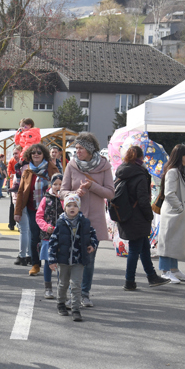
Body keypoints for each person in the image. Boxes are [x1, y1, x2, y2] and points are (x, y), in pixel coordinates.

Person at [60, 132, 113, 308]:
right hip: (73, 221)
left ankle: (84, 293)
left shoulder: (104, 166)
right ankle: (71, 294)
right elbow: (62, 191)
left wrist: (92, 186)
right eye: (76, 148)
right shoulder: (72, 165)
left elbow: (110, 193)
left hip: (95, 221)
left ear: (90, 149)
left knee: (89, 259)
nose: (77, 152)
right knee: (71, 258)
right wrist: (74, 194)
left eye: (80, 148)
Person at [115, 146, 170, 291]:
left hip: (125, 214)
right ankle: (129, 281)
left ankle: (152, 276)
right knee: (135, 249)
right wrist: (149, 215)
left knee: (144, 247)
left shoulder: (122, 171)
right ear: (140, 157)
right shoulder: (140, 174)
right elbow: (143, 199)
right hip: (138, 215)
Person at [48, 194, 98, 322]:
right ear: (64, 207)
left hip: (79, 259)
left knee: (76, 284)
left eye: (75, 206)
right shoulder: (60, 223)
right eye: (69, 205)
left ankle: (76, 309)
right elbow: (53, 242)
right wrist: (52, 260)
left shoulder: (85, 222)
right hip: (63, 260)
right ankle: (61, 304)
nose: (72, 208)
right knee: (63, 283)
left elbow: (93, 235)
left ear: (79, 208)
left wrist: (92, 245)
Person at [15, 143, 59, 276]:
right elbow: (21, 191)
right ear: (29, 155)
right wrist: (17, 212)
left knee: (50, 236)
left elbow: (59, 186)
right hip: (32, 208)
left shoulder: (52, 168)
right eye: (33, 152)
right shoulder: (27, 171)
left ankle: (50, 262)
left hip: (50, 208)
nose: (36, 154)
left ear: (43, 154)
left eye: (39, 152)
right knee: (34, 237)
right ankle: (35, 264)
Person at [157, 144, 185, 284]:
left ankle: (174, 269)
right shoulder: (173, 171)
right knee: (168, 242)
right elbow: (169, 193)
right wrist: (179, 208)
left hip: (177, 212)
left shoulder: (181, 171)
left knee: (174, 242)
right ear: (181, 156)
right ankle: (165, 271)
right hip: (173, 212)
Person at [35, 173, 64, 299]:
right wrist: (47, 227)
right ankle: (48, 287)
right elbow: (39, 217)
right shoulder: (45, 199)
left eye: (61, 185)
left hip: (63, 236)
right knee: (47, 261)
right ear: (51, 185)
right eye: (55, 184)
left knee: (61, 263)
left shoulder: (66, 199)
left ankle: (61, 288)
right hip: (47, 236)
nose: (58, 187)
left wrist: (62, 198)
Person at [7, 147, 24, 231]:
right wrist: (12, 175)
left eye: (16, 153)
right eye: (13, 154)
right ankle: (11, 223)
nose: (15, 155)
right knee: (13, 205)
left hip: (23, 186)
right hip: (14, 185)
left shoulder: (25, 161)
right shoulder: (12, 161)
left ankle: (20, 224)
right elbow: (9, 171)